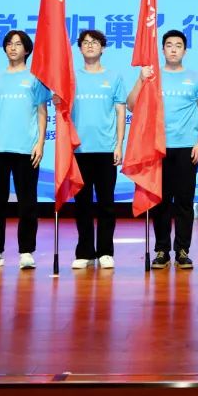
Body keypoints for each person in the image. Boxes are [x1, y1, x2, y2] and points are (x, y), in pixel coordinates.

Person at [126, 29, 198, 270]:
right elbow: (131, 105)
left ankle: (183, 250)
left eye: (178, 45)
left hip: (186, 148)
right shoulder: (152, 76)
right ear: (163, 50)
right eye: (169, 45)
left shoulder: (196, 78)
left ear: (185, 50)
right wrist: (141, 79)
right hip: (157, 148)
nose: (173, 49)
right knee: (160, 202)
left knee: (184, 202)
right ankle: (162, 250)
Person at [0, 30, 50, 271]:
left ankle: (26, 251)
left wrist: (40, 143)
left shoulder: (35, 77)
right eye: (9, 43)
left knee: (27, 202)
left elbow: (42, 112)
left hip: (26, 148)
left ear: (27, 50)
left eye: (18, 44)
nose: (13, 47)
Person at [69, 29, 127, 269]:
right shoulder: (70, 77)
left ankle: (105, 251)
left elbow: (121, 112)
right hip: (78, 150)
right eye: (85, 42)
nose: (90, 45)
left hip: (105, 149)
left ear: (102, 48)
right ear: (80, 48)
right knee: (82, 204)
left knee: (106, 204)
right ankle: (84, 252)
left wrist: (119, 144)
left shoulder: (113, 77)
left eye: (95, 42)